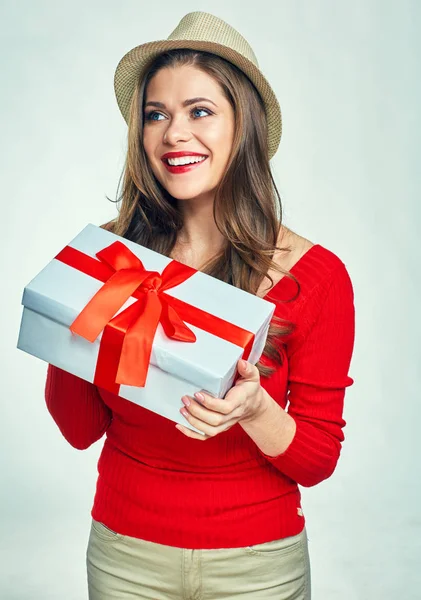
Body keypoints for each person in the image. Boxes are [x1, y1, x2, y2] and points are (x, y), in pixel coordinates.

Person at [45, 11, 355, 600]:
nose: (173, 134)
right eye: (156, 114)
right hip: (124, 556)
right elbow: (79, 429)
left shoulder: (316, 277)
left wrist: (256, 410)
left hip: (258, 566)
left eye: (200, 111)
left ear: (245, 127)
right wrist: (67, 323)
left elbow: (317, 460)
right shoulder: (111, 262)